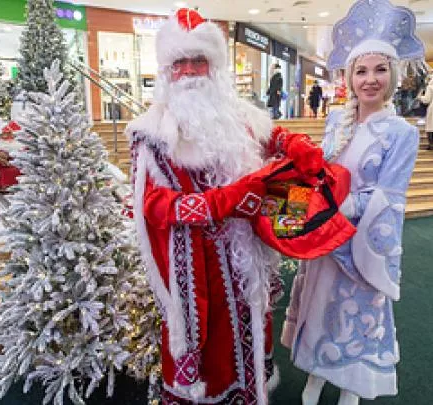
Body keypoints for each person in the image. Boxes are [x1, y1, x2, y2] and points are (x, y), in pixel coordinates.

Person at [126, 9, 337, 404]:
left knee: (252, 332)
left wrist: (294, 146)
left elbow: (269, 137)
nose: (190, 71)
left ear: (215, 67)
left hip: (248, 255)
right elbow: (151, 206)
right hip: (198, 267)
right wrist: (219, 203)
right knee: (212, 356)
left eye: (199, 61)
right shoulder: (150, 133)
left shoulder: (240, 117)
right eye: (180, 62)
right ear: (167, 71)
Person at [281, 0, 422, 404]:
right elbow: (318, 171)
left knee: (353, 312)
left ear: (393, 75)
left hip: (359, 244)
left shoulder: (401, 133)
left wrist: (343, 209)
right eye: (361, 70)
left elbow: (390, 196)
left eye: (380, 70)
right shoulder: (335, 121)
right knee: (317, 303)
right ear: (349, 76)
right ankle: (315, 375)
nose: (370, 79)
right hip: (324, 239)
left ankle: (350, 385)